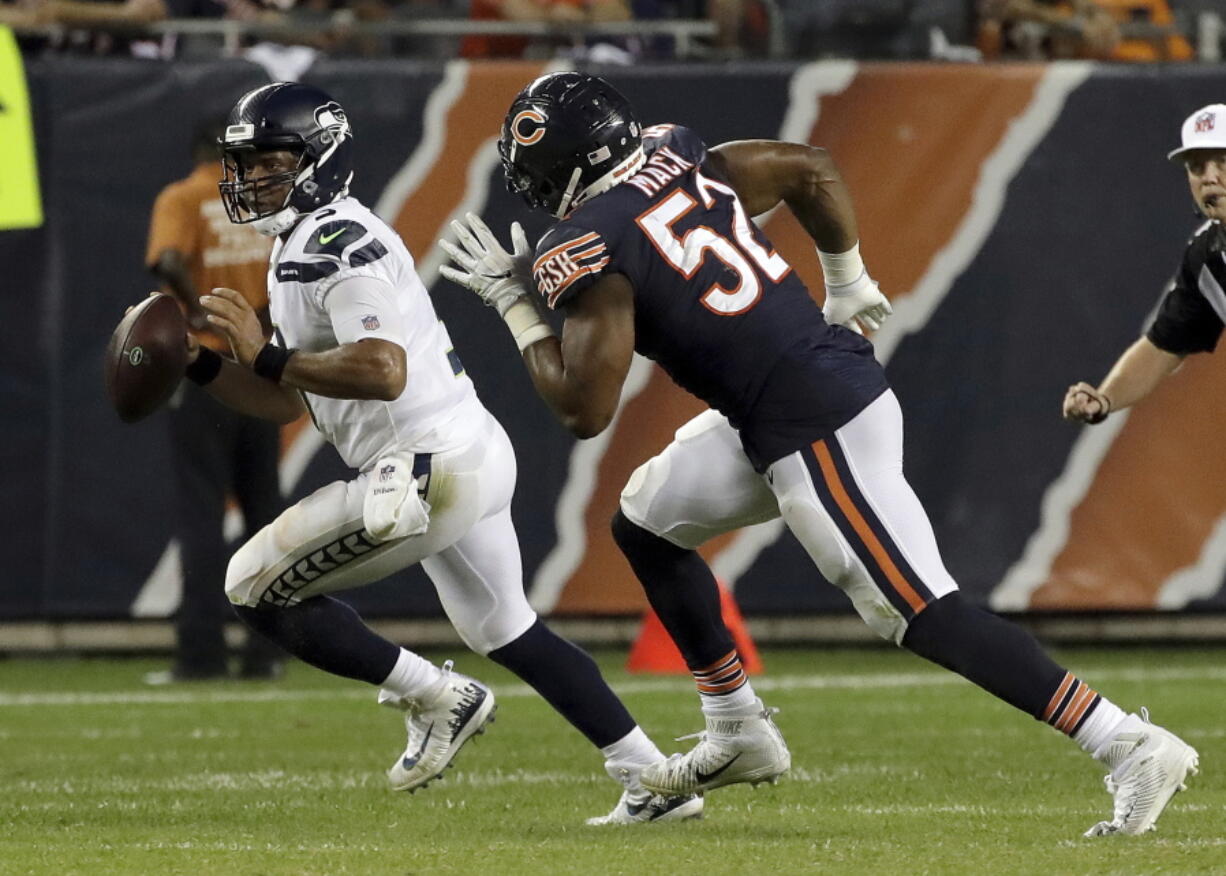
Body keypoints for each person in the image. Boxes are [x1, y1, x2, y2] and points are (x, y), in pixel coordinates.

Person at [442, 71, 1200, 836]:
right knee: (646, 524)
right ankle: (736, 726)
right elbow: (811, 167)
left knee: (920, 611)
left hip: (814, 423)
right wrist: (847, 280)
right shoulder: (678, 152)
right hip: (779, 406)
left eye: (531, 158)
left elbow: (583, 409)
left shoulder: (584, 243)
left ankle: (1126, 743)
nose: (525, 176)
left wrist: (513, 305)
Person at [189, 80, 698, 825]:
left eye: (270, 161)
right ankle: (653, 779)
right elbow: (288, 395)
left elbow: (380, 368)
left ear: (319, 160)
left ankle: (435, 695)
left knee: (251, 585)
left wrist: (265, 353)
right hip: (465, 451)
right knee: (508, 629)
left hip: (426, 468)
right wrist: (204, 366)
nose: (252, 178)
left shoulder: (327, 246)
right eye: (247, 163)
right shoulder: (308, 239)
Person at [144, 119, 284, 684]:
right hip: (259, 372)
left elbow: (167, 260)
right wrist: (262, 329)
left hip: (204, 372)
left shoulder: (183, 195)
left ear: (196, 149)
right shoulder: (258, 205)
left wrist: (197, 315)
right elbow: (284, 278)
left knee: (201, 516)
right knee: (265, 518)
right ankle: (267, 651)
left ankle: (201, 654)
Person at [1064, 104, 1226, 426]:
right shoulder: (1206, 256)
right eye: (1196, 167)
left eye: (1223, 161)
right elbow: (1162, 347)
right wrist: (1105, 399)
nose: (1209, 177)